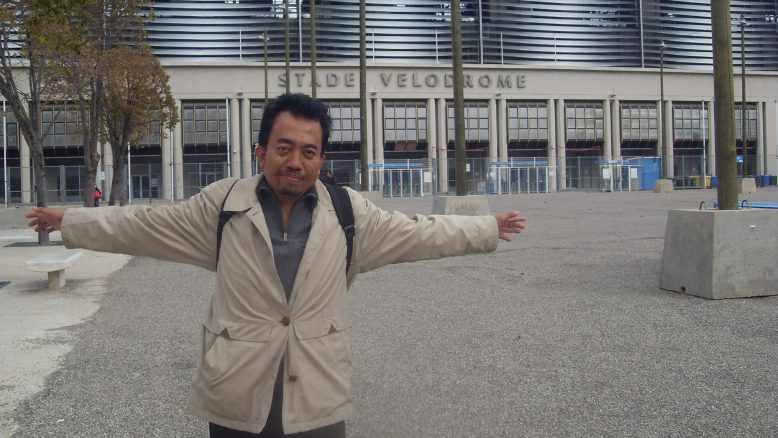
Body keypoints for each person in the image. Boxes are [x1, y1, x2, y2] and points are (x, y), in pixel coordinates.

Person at [26, 93, 526, 437]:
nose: (295, 161)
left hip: (316, 391)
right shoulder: (222, 207)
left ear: (322, 160)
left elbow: (419, 231)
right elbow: (144, 224)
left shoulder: (348, 213)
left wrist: (485, 228)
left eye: (309, 152)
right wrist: (71, 221)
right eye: (284, 148)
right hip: (238, 388)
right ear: (262, 151)